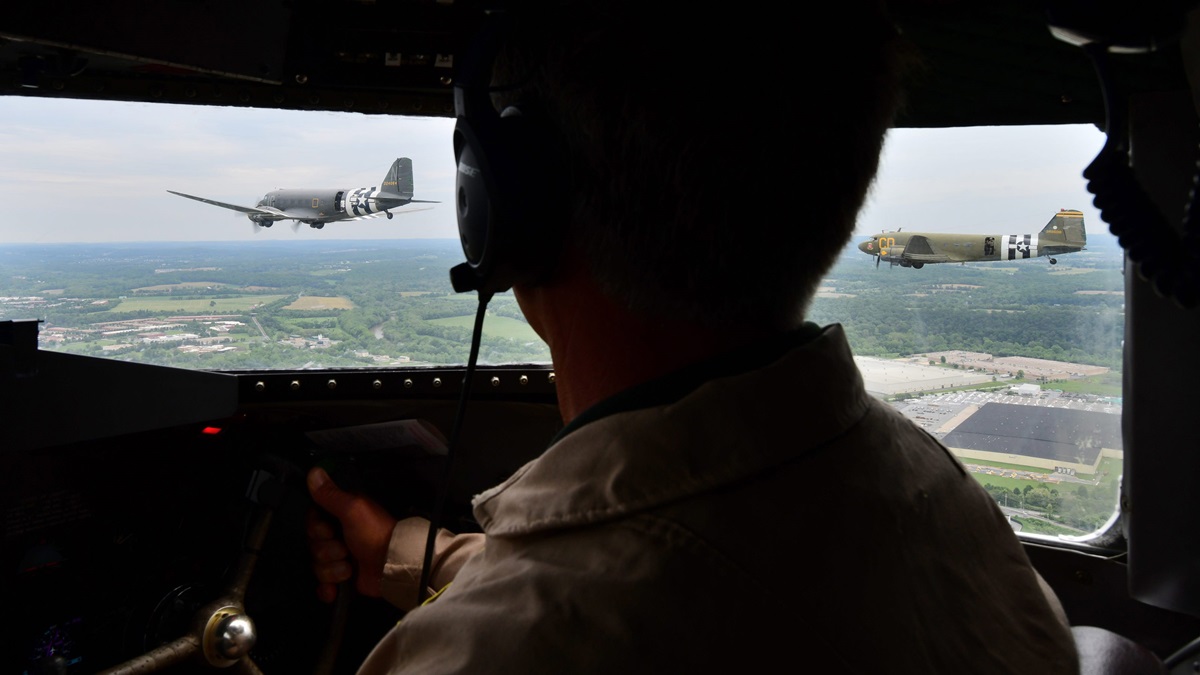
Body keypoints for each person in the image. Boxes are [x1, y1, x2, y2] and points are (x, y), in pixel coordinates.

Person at [306, 1, 1079, 671]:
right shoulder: (941, 497)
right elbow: (702, 572)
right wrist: (411, 556)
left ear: (506, 208)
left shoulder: (499, 652)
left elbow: (623, 587)